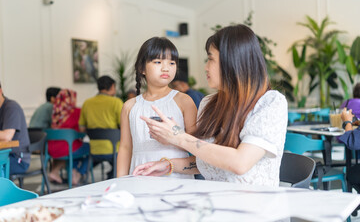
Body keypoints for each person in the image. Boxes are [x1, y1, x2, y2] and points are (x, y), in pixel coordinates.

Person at [132, 25, 288, 187]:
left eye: (210, 59)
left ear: (232, 60)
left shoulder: (270, 103)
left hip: (257, 207)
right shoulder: (208, 103)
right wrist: (168, 165)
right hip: (215, 202)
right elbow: (206, 159)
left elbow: (240, 163)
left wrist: (179, 137)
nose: (205, 67)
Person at [117, 37, 197, 178]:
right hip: (140, 175)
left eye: (172, 63)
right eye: (158, 62)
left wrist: (173, 138)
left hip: (176, 176)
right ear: (142, 68)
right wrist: (121, 182)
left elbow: (198, 145)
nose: (166, 68)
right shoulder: (130, 106)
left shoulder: (184, 101)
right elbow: (125, 147)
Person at [79, 75, 123, 179]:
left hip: (94, 149)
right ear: (112, 86)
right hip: (114, 149)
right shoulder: (116, 102)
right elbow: (124, 126)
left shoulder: (87, 103)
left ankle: (81, 174)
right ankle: (113, 175)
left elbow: (81, 128)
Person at [48, 89, 89, 185]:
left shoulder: (55, 114)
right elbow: (82, 129)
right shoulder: (77, 112)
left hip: (51, 149)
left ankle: (65, 172)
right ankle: (78, 173)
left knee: (74, 147)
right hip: (68, 147)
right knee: (90, 148)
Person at [0, 81, 31, 175]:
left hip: (18, 158)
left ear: (0, 91)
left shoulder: (11, 107)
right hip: (4, 154)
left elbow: (7, 136)